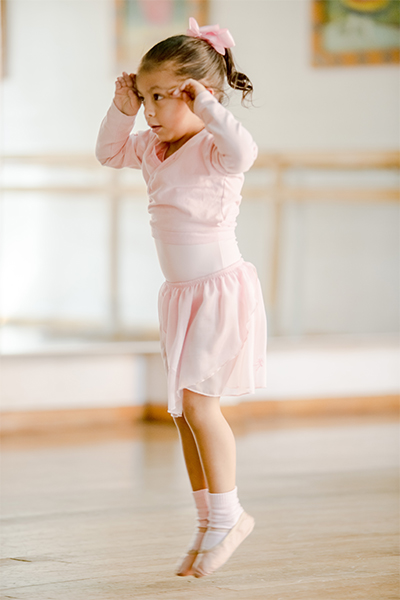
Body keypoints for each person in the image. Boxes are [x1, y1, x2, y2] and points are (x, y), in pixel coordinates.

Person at [96, 17, 267, 578]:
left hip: (220, 291)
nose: (151, 109)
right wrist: (122, 106)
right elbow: (107, 152)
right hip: (180, 296)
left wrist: (211, 110)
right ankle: (208, 519)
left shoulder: (217, 150)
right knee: (181, 412)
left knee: (199, 403)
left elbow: (246, 151)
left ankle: (231, 513)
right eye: (145, 97)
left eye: (161, 98)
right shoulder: (151, 147)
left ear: (201, 96)